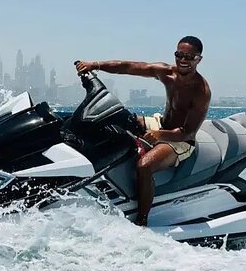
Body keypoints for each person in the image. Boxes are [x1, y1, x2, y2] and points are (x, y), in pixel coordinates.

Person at [75, 36, 211, 226]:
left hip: (179, 140)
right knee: (117, 119)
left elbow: (188, 133)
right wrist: (95, 65)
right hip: (160, 124)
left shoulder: (201, 91)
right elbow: (129, 67)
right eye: (179, 54)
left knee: (144, 166)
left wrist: (160, 135)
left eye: (188, 57)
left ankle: (142, 220)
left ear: (198, 59)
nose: (182, 60)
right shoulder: (166, 73)